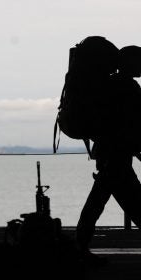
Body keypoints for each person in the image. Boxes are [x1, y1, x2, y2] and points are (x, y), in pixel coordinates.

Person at [75, 45, 141, 266]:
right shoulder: (128, 87)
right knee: (125, 203)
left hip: (108, 154)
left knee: (99, 203)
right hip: (117, 156)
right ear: (129, 63)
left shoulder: (108, 86)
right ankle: (79, 250)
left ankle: (79, 249)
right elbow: (132, 124)